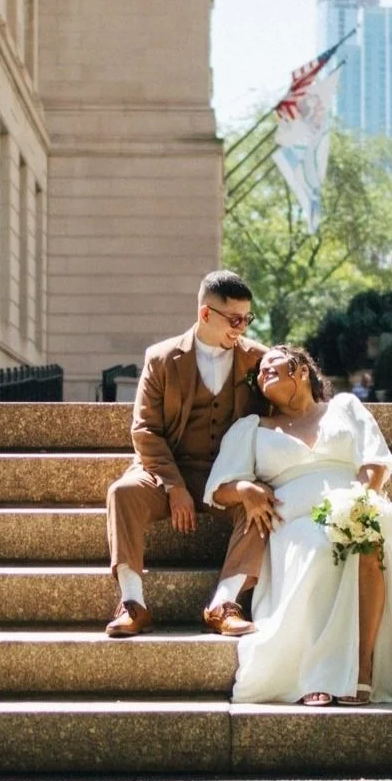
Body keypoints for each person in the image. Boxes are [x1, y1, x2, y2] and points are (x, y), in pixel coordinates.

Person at [206, 345, 392, 706]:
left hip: (353, 503)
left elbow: (374, 461)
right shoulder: (253, 429)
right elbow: (219, 490)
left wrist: (358, 504)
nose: (263, 372)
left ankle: (362, 668)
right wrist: (245, 488)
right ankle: (320, 670)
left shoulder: (345, 407)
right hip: (293, 525)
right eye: (259, 372)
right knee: (321, 548)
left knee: (369, 537)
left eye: (273, 364)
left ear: (301, 370)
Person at [103, 270, 270, 638]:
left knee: (259, 503)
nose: (241, 328)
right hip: (168, 467)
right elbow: (145, 429)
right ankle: (133, 603)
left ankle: (224, 604)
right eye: (234, 319)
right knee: (122, 493)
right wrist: (174, 486)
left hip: (225, 473)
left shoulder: (257, 360)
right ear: (206, 314)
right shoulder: (162, 359)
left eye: (247, 319)